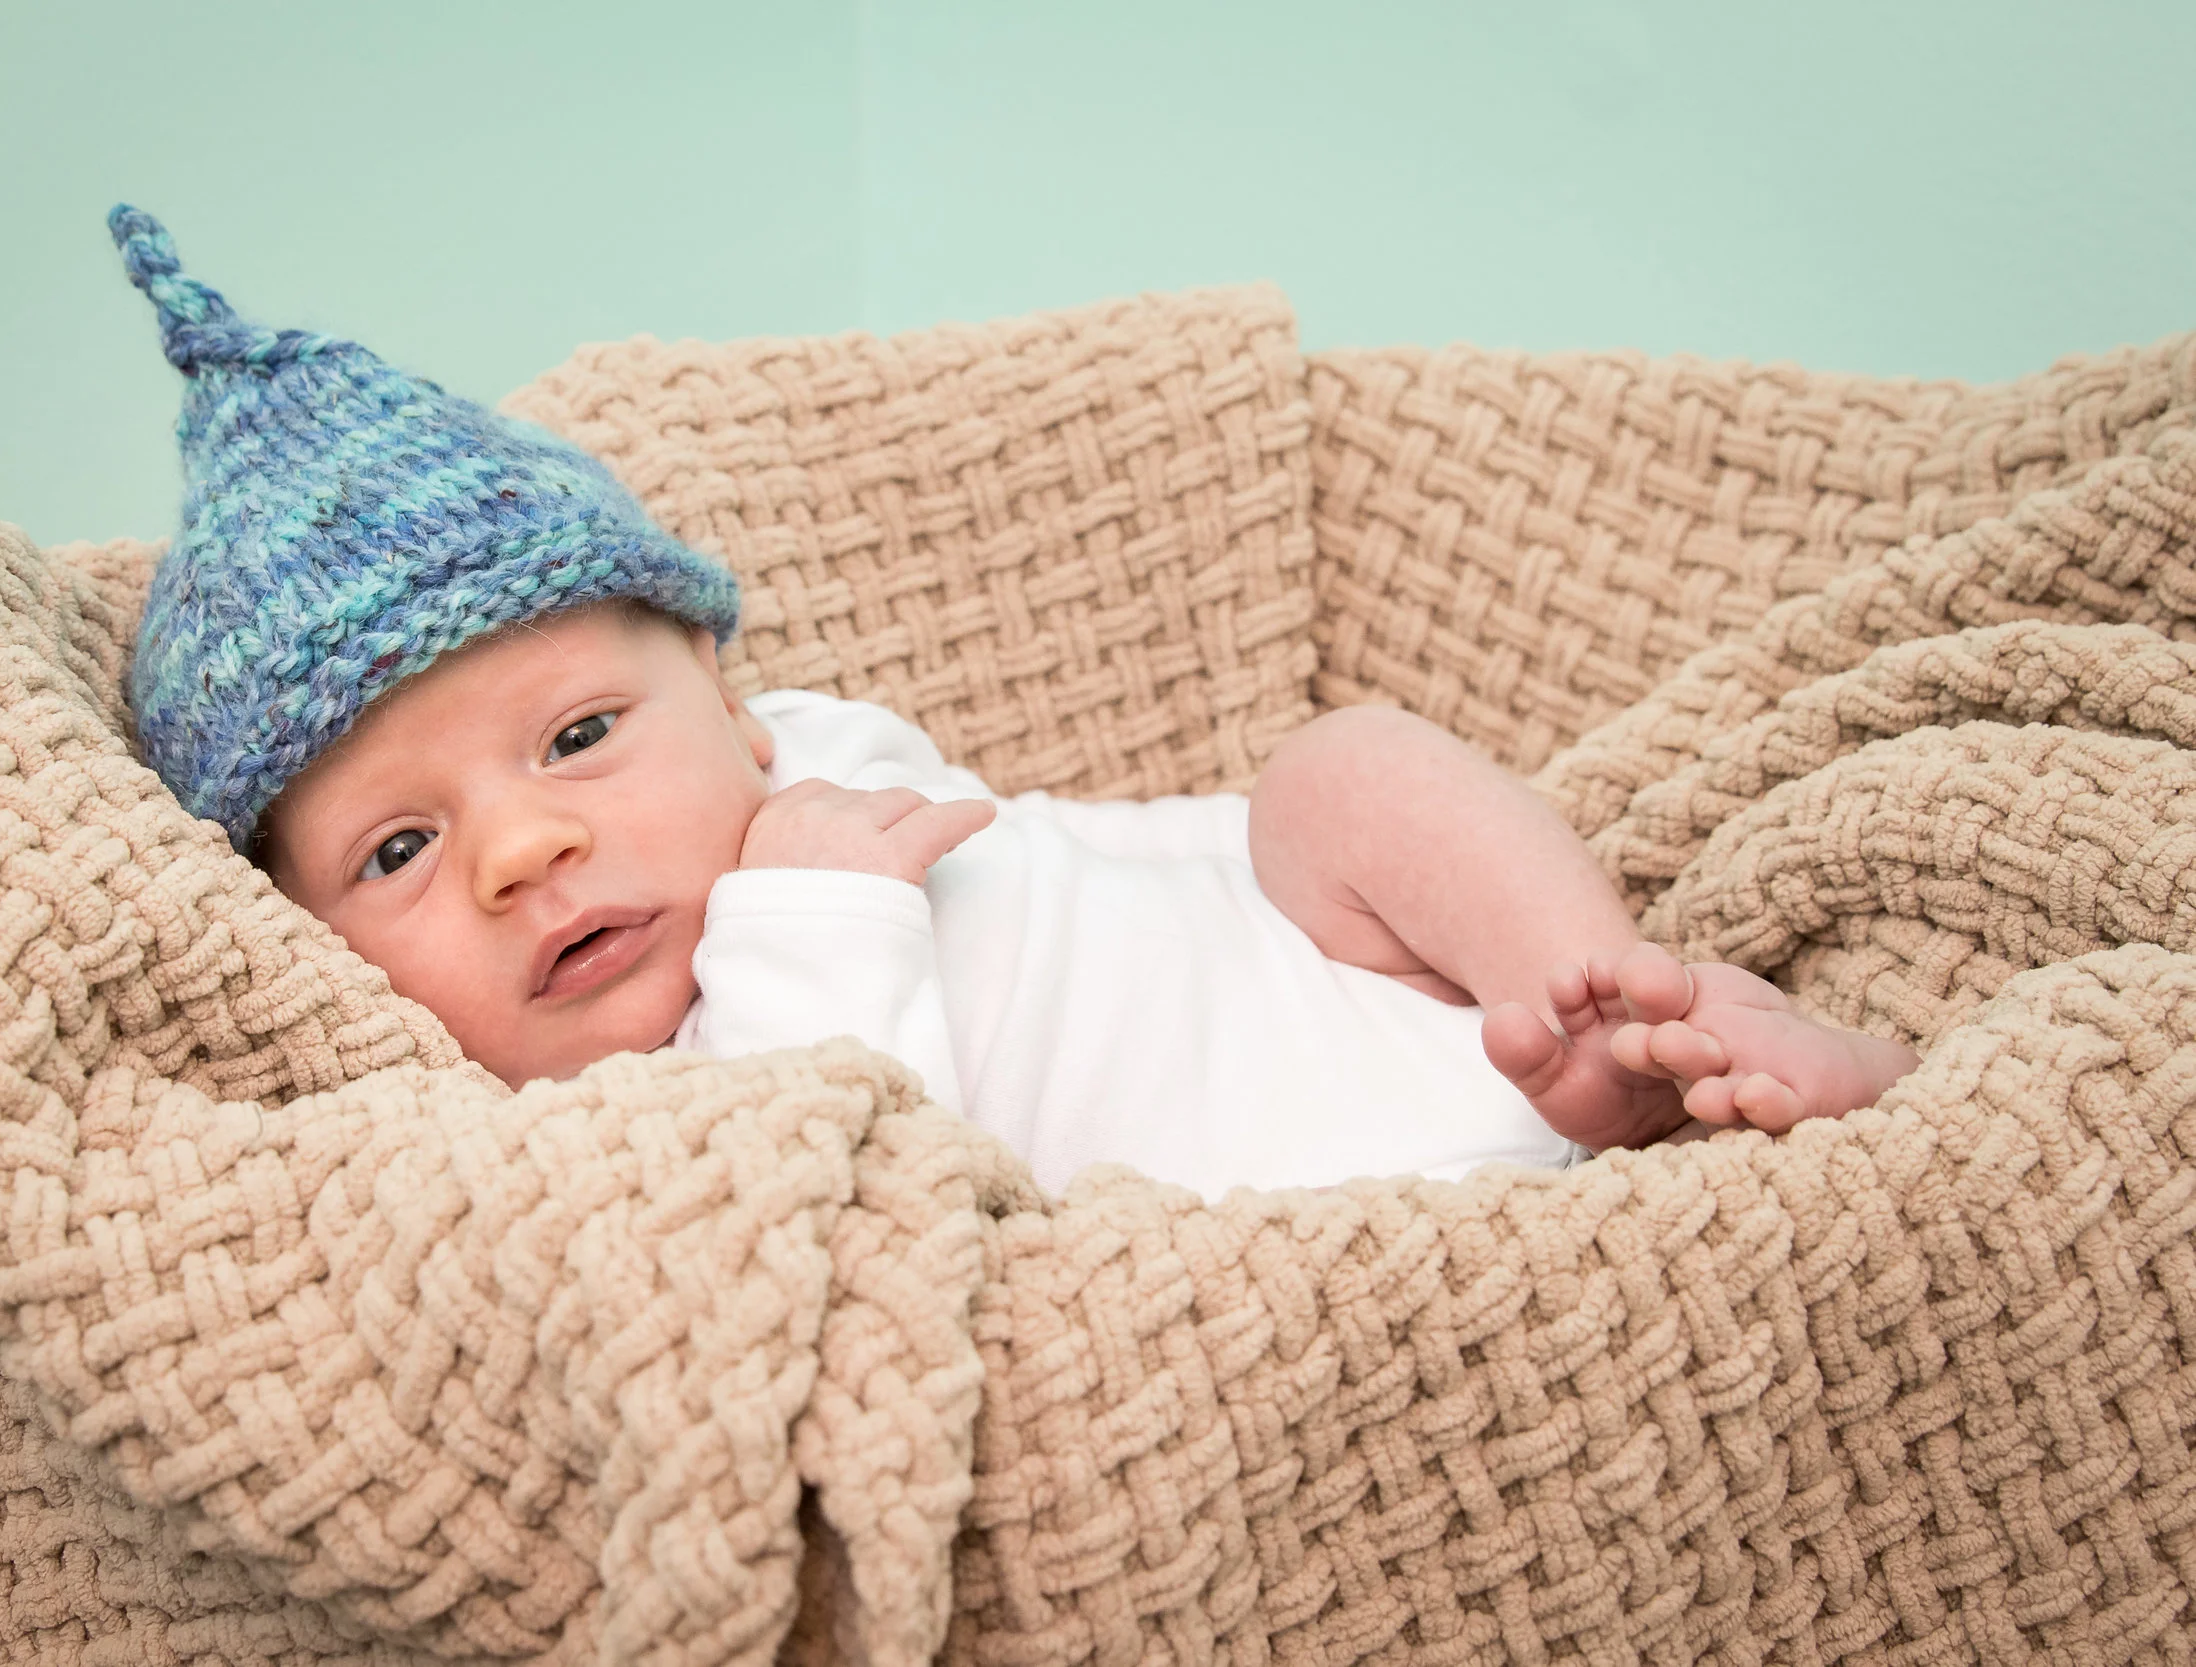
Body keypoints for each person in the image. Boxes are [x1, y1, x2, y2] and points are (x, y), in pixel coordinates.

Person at [113, 207, 1916, 1199]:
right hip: (1290, 1206)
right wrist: (808, 921)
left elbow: (935, 828)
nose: (526, 844)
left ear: (736, 713)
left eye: (578, 734)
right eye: (400, 849)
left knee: (1346, 771)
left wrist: (801, 849)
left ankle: (1606, 1002)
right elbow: (847, 1190)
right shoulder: (598, 1133)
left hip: (1345, 950)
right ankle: (1672, 1101)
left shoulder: (810, 769)